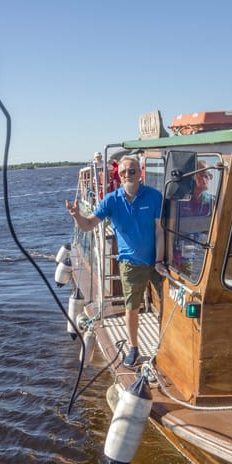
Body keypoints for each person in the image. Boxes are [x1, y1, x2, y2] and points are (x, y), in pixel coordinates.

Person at [64, 155, 165, 367]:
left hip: (157, 262)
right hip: (130, 264)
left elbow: (159, 230)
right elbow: (88, 225)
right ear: (118, 176)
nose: (127, 175)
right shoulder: (111, 200)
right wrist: (76, 215)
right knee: (132, 308)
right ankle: (134, 349)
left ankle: (166, 347)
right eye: (123, 172)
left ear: (140, 173)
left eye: (132, 171)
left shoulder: (154, 196)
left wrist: (159, 260)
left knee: (167, 305)